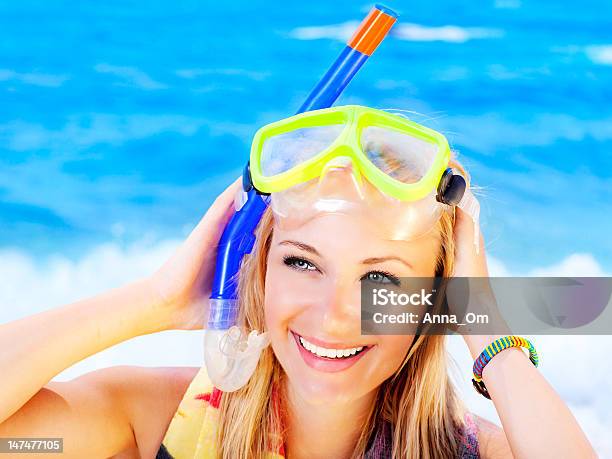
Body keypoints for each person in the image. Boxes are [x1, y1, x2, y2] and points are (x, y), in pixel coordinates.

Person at [0, 107, 596, 459]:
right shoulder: (158, 423)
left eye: (381, 278)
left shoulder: (469, 452)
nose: (334, 316)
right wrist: (153, 302)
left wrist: (482, 319)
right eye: (302, 263)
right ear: (257, 267)